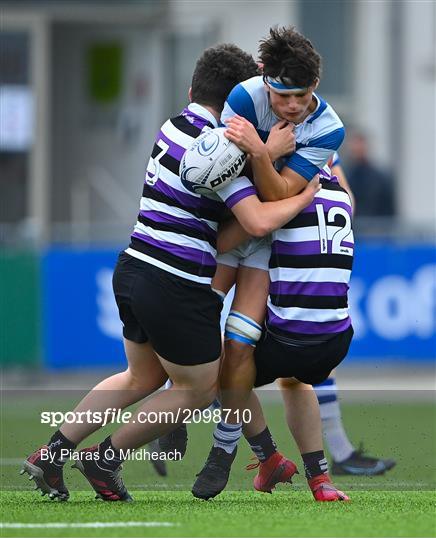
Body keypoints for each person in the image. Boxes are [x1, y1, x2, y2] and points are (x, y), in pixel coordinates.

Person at [20, 43, 319, 502]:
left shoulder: (172, 126)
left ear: (191, 89)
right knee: (199, 389)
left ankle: (52, 453)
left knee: (139, 378)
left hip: (134, 265)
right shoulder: (225, 148)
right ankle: (105, 460)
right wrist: (289, 182)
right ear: (243, 98)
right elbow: (254, 222)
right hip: (175, 279)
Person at [189, 26, 349, 502]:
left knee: (237, 349)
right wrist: (267, 160)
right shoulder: (243, 97)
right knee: (190, 335)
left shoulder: (329, 128)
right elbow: (223, 170)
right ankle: (180, 426)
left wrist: (259, 151)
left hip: (264, 239)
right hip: (229, 219)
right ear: (265, 82)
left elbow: (281, 194)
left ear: (315, 88)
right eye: (282, 96)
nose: (293, 107)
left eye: (303, 96)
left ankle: (224, 450)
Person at [310, 153, 396, 476]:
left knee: (311, 360)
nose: (296, 105)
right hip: (267, 252)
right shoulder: (260, 127)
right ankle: (179, 410)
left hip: (304, 253)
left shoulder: (322, 133)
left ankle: (340, 453)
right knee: (241, 352)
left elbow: (347, 201)